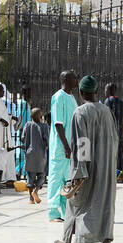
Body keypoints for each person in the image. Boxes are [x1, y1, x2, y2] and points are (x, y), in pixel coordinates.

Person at [55, 75, 117, 243]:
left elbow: (82, 143)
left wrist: (79, 171)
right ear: (96, 92)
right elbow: (114, 140)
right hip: (106, 168)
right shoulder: (106, 111)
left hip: (86, 167)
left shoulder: (80, 112)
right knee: (105, 203)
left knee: (73, 203)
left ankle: (66, 241)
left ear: (81, 92)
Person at [47, 71, 81, 222]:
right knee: (55, 178)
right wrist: (66, 146)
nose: (77, 80)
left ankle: (66, 210)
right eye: (74, 77)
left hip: (70, 145)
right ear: (66, 79)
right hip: (61, 147)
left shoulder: (72, 97)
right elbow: (58, 124)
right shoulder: (58, 97)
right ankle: (53, 212)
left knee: (66, 179)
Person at [22, 108, 49, 204]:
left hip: (29, 154)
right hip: (41, 154)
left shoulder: (27, 125)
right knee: (42, 175)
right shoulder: (44, 126)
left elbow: (22, 137)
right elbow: (47, 139)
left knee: (30, 177)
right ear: (40, 116)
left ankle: (30, 199)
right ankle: (36, 190)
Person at [104, 82, 123, 173]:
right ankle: (119, 170)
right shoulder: (121, 102)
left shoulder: (108, 101)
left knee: (110, 153)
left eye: (106, 90)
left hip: (110, 131)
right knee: (119, 151)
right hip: (120, 130)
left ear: (110, 90)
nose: (105, 92)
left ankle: (112, 171)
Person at [11, 84, 32, 179]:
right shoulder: (22, 103)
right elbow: (20, 118)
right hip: (23, 131)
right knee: (21, 152)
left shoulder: (25, 103)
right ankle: (18, 172)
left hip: (25, 130)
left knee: (24, 152)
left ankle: (21, 171)